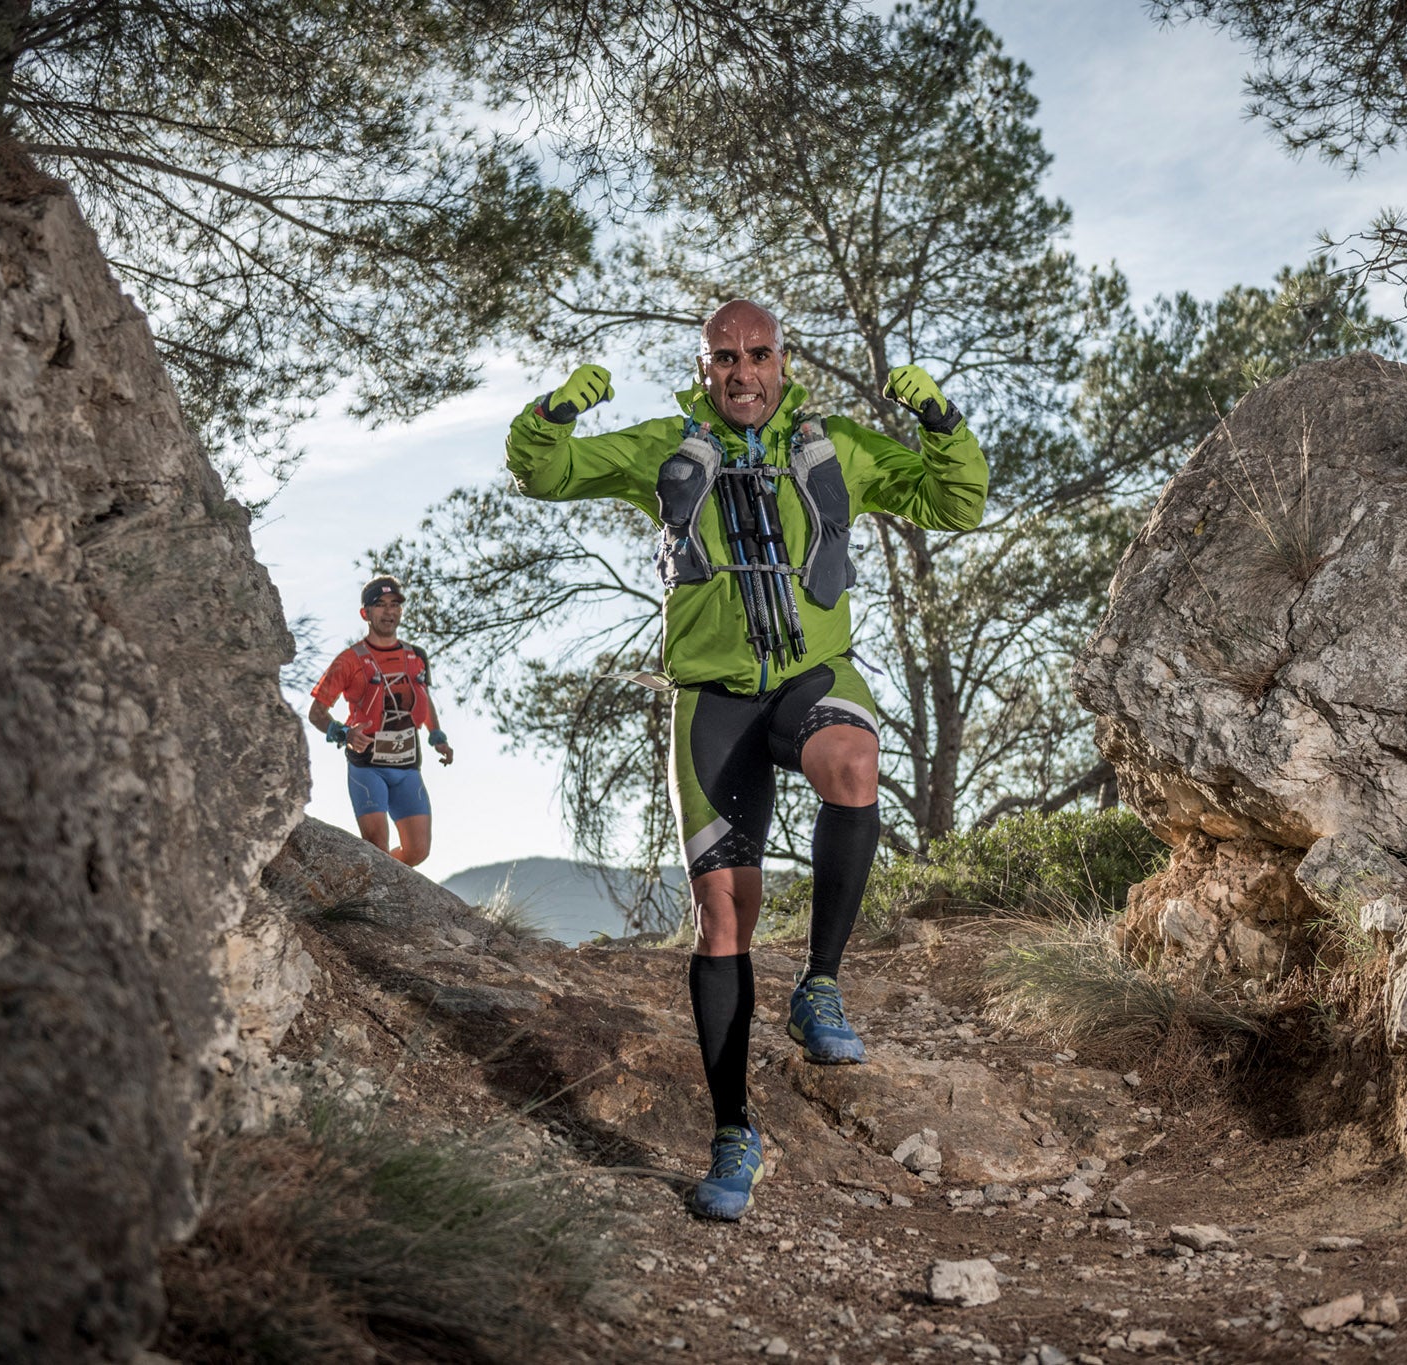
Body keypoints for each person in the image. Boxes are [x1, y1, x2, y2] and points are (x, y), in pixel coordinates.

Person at [504, 300, 987, 1220]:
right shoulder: (665, 444)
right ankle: (734, 1130)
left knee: (852, 762)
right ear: (704, 365)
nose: (742, 372)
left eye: (758, 355)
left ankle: (820, 988)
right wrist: (556, 410)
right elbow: (544, 471)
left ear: (782, 359)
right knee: (723, 913)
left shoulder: (835, 443)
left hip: (812, 674)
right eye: (724, 357)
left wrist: (941, 422)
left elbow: (956, 499)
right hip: (712, 699)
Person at [308, 574, 455, 866]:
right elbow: (316, 712)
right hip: (367, 767)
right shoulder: (348, 660)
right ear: (366, 613)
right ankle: (375, 896)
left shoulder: (417, 655)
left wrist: (437, 736)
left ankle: (375, 882)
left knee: (417, 851)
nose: (389, 611)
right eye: (380, 605)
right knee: (376, 848)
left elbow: (423, 700)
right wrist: (342, 733)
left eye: (394, 605)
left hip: (407, 766)